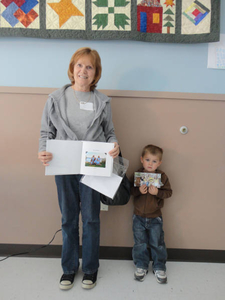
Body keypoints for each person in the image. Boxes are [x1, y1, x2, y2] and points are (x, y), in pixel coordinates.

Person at [38, 47, 119, 290]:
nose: (84, 70)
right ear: (73, 69)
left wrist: (114, 146)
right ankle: (69, 268)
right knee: (69, 218)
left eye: (90, 67)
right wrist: (43, 152)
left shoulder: (102, 101)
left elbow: (110, 132)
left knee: (92, 219)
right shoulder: (55, 99)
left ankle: (91, 269)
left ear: (96, 74)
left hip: (94, 165)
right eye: (80, 65)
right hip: (63, 166)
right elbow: (46, 133)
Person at [130, 144, 172, 284]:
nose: (150, 164)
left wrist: (157, 193)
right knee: (140, 243)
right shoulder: (137, 175)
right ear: (142, 159)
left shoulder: (162, 176)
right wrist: (138, 191)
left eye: (154, 161)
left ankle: (159, 266)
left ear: (159, 162)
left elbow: (169, 193)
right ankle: (141, 265)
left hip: (155, 217)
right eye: (148, 160)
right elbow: (130, 191)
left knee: (157, 243)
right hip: (138, 216)